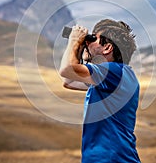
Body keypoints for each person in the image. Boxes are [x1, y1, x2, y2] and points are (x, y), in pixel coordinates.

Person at [59, 19, 141, 163]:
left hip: (112, 159)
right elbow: (69, 81)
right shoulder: (111, 78)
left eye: (93, 39)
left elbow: (66, 70)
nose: (88, 42)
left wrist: (74, 40)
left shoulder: (115, 71)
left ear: (107, 48)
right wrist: (79, 50)